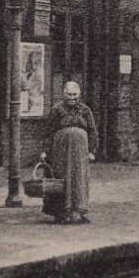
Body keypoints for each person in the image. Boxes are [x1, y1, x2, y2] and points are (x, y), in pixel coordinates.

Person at [44, 81, 96, 223]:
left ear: (79, 95)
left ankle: (78, 211)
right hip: (61, 151)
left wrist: (91, 150)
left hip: (80, 153)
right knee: (62, 177)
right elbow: (48, 132)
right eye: (69, 94)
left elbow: (92, 131)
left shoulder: (85, 110)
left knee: (79, 179)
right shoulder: (56, 110)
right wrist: (45, 151)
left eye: (74, 95)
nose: (71, 98)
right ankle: (61, 212)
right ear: (63, 94)